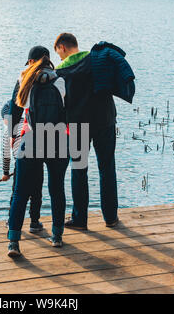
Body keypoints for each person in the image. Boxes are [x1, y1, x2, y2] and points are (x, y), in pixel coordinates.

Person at [53, 33, 135, 230]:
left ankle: (80, 219)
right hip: (104, 120)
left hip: (77, 126)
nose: (59, 58)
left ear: (62, 48)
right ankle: (111, 217)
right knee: (107, 168)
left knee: (79, 171)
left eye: (58, 53)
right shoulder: (97, 60)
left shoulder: (61, 72)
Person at [7, 46, 69, 257]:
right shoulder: (59, 80)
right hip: (57, 140)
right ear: (49, 61)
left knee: (20, 193)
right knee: (57, 189)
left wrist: (14, 140)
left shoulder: (24, 80)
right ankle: (57, 236)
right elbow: (66, 111)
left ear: (31, 61)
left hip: (31, 140)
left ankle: (13, 242)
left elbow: (14, 113)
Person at [1, 100, 44, 233]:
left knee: (17, 193)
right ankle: (34, 223)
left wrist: (6, 172)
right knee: (36, 193)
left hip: (20, 162)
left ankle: (11, 221)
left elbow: (6, 154)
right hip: (37, 158)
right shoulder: (29, 121)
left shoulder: (8, 131)